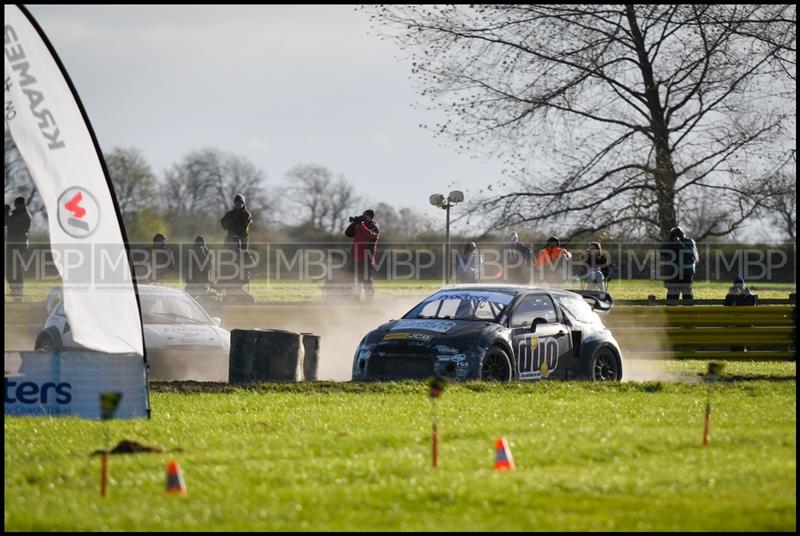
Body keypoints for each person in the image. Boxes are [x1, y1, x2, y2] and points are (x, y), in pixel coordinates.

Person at [345, 209, 380, 301]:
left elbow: (369, 235)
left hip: (366, 258)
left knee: (366, 280)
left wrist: (360, 224)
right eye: (364, 216)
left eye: (366, 216)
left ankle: (369, 300)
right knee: (355, 280)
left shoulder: (374, 227)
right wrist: (354, 223)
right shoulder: (360, 225)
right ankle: (356, 299)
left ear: (371, 218)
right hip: (355, 257)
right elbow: (348, 233)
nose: (364, 218)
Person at [659, 226, 698, 301]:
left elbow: (689, 253)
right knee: (672, 294)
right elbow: (662, 251)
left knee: (687, 293)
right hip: (674, 272)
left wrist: (679, 244)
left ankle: (688, 311)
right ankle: (671, 311)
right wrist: (671, 243)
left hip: (686, 272)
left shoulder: (689, 242)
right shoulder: (671, 244)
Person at [5, 197, 32, 302]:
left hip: (19, 246)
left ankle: (18, 293)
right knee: (9, 269)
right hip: (11, 245)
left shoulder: (24, 216)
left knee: (15, 268)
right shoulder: (16, 214)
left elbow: (10, 222)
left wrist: (6, 212)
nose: (17, 206)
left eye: (19, 204)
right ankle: (14, 290)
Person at [217, 235, 255, 303]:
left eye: (234, 243)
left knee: (233, 291)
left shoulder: (244, 254)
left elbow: (251, 265)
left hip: (238, 279)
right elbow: (221, 268)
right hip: (231, 279)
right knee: (230, 292)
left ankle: (239, 300)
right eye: (232, 243)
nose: (233, 245)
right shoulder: (226, 254)